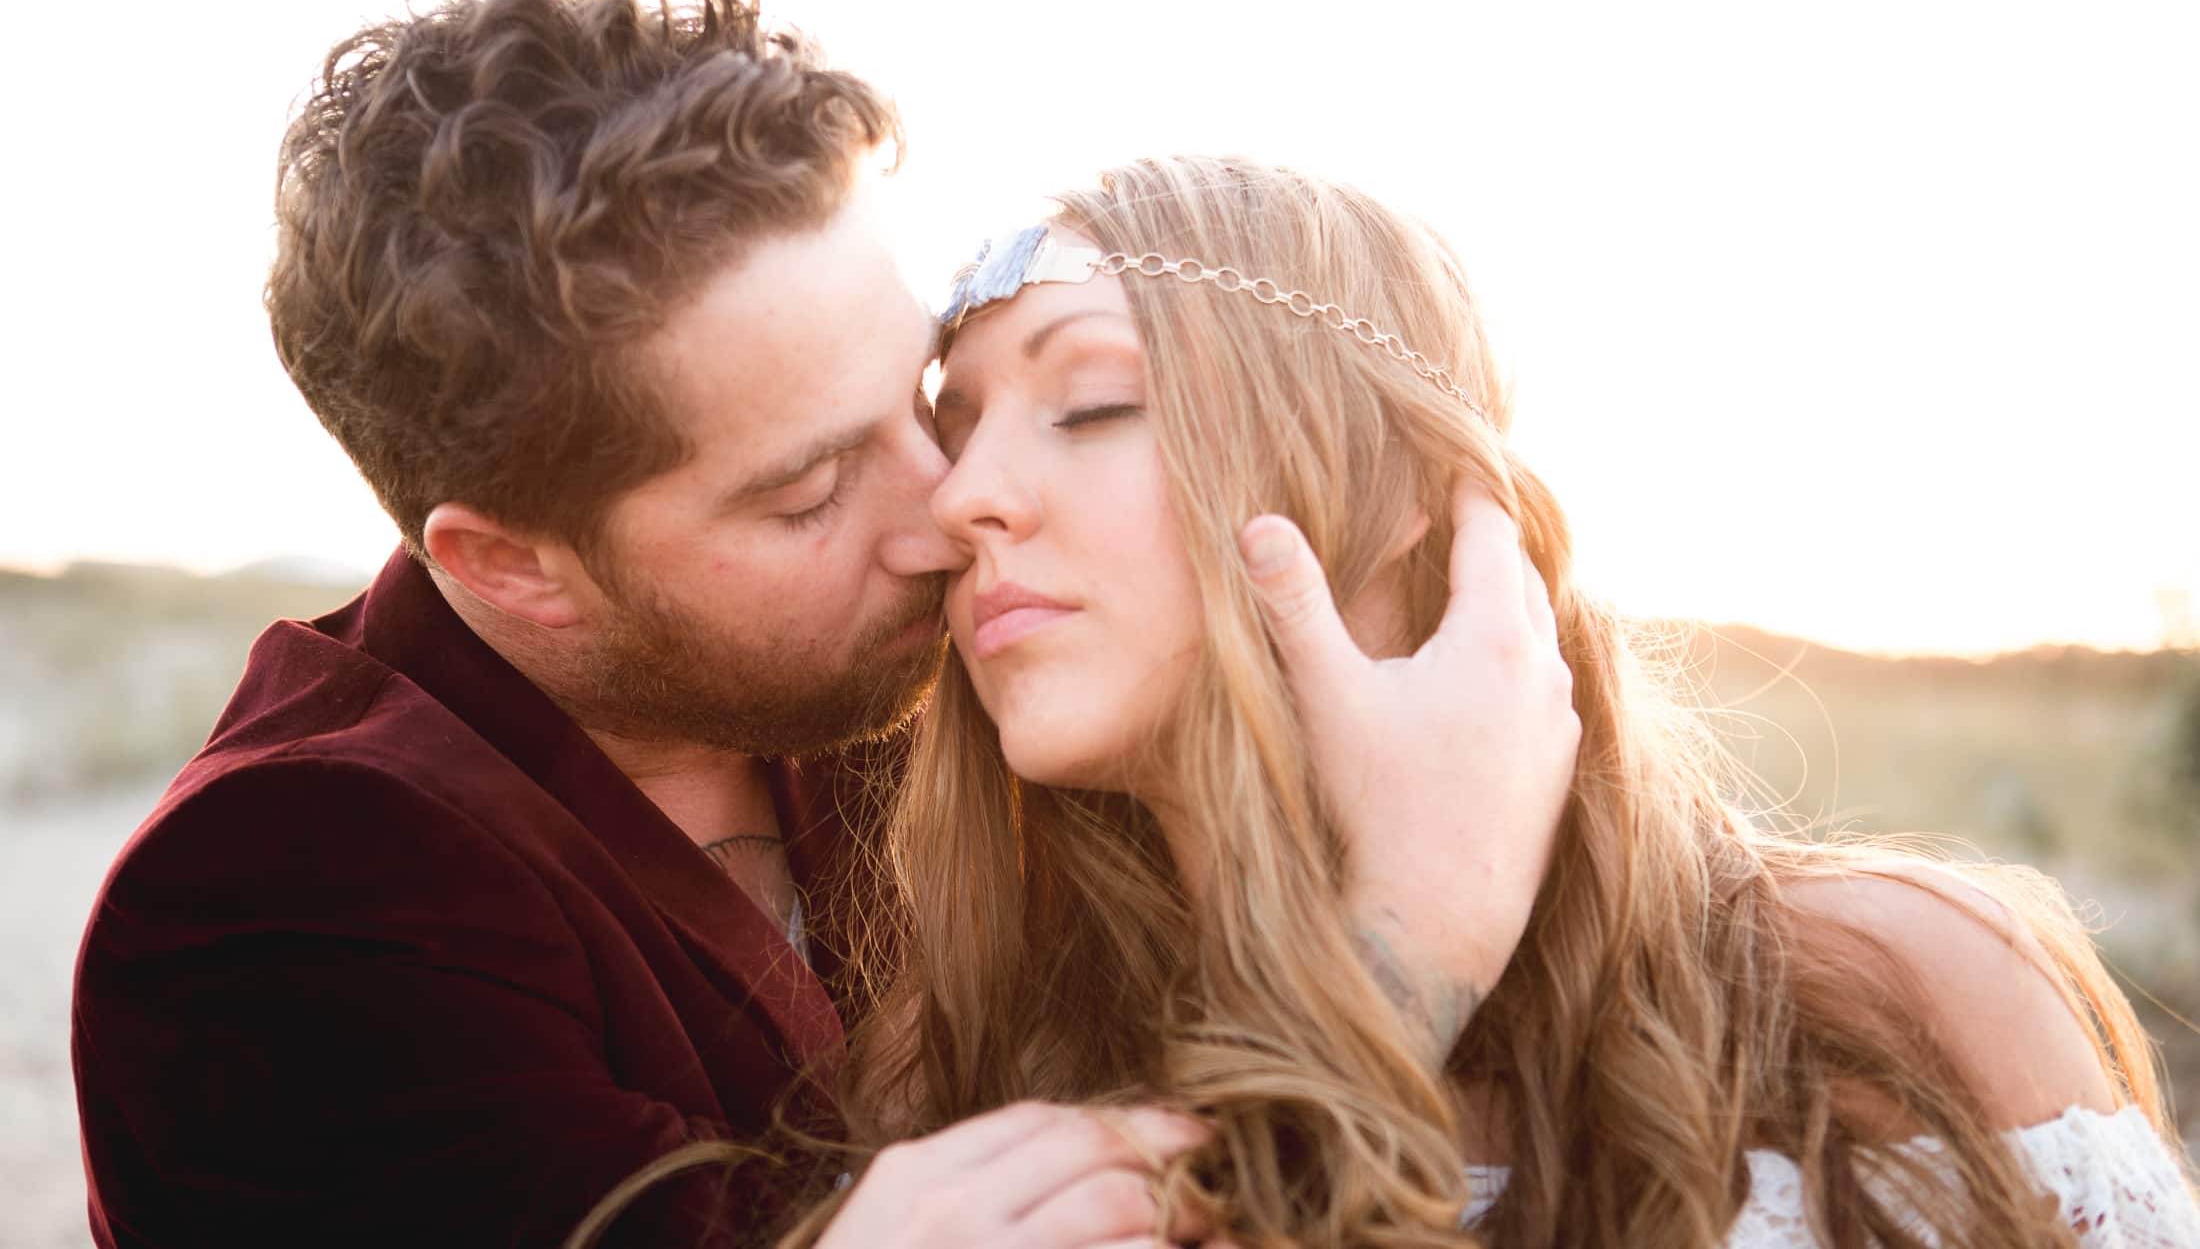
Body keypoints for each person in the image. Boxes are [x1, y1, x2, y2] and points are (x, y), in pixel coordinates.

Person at [68, 0, 1579, 1249]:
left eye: (923, 399)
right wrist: (1413, 933)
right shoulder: (273, 918)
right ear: (510, 566)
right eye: (807, 493)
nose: (950, 507)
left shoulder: (944, 676)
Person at [775, 155, 2200, 1248]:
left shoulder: (1874, 1000)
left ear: (1398, 489)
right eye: (952, 430)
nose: (960, 499)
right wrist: (1406, 944)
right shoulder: (966, 1075)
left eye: (1090, 405)